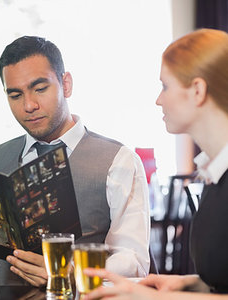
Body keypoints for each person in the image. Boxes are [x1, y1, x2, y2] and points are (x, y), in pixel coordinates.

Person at [0, 36, 151, 286]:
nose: (29, 105)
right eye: (15, 95)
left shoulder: (119, 161)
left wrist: (68, 270)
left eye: (40, 89)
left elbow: (134, 261)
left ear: (66, 85)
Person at [84, 28, 228, 299]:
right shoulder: (214, 176)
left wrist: (153, 298)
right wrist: (188, 284)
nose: (158, 99)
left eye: (165, 86)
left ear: (197, 90)